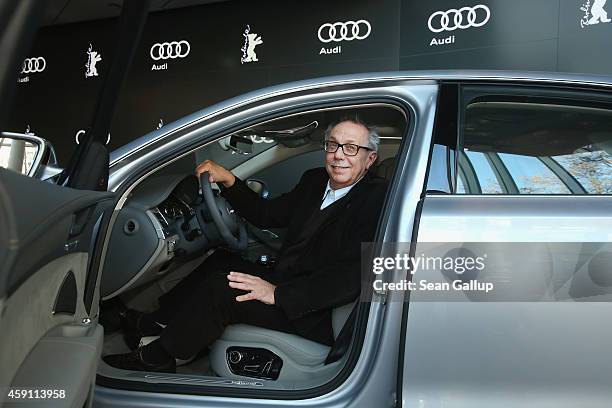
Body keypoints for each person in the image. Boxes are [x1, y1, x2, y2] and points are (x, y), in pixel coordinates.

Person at [104, 117, 388, 372]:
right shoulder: (314, 181)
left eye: (351, 148)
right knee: (222, 261)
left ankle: (158, 358)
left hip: (314, 310)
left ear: (370, 158)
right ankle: (151, 323)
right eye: (333, 145)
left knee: (223, 289)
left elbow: (351, 276)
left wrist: (278, 294)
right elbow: (266, 215)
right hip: (288, 279)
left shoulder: (376, 200)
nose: (339, 156)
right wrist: (229, 181)